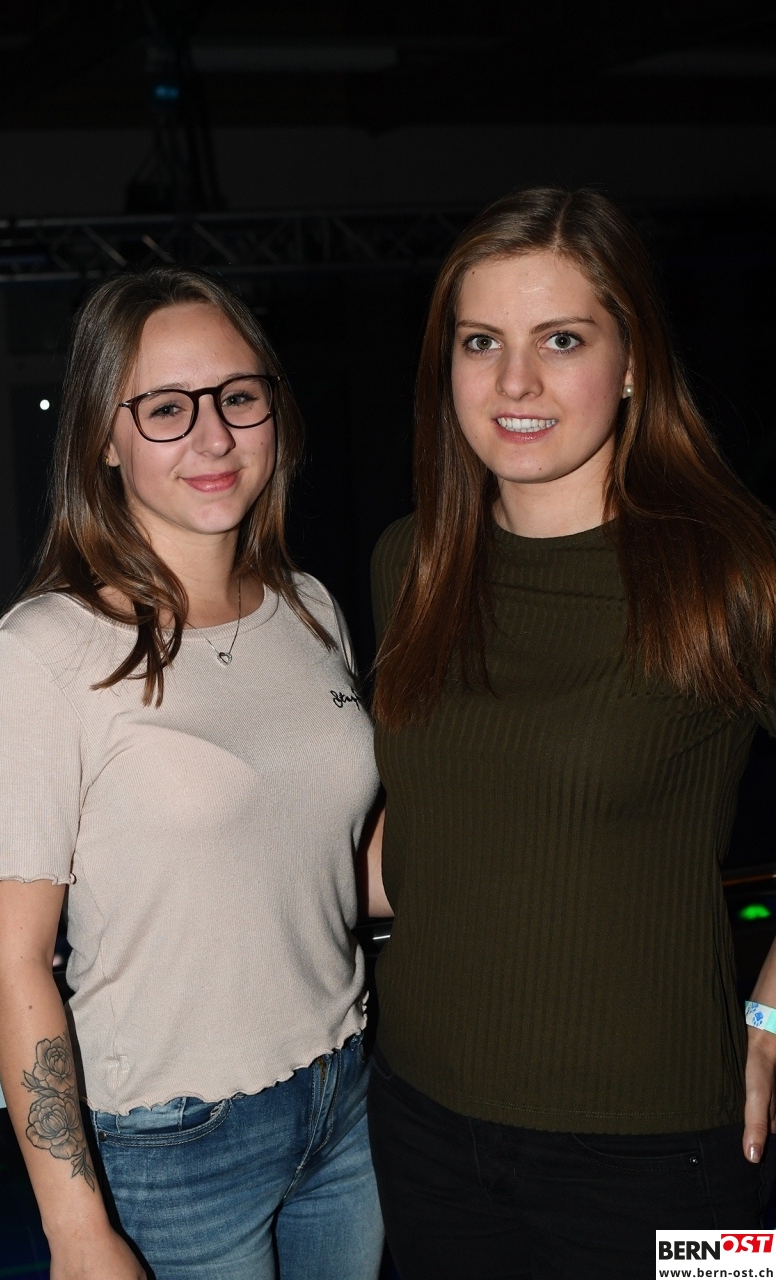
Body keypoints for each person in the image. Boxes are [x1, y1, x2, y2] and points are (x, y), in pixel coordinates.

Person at [365, 186, 776, 1279]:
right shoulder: (411, 562)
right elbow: (425, 823)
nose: (514, 383)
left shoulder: (735, 569)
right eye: (480, 342)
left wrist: (774, 1015)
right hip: (418, 1124)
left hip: (672, 1152)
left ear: (632, 361)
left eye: (560, 339)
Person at [0, 267, 385, 1280]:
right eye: (164, 408)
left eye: (238, 396)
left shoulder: (310, 608)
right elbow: (9, 959)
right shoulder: (41, 654)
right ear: (103, 438)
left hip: (345, 1095)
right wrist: (75, 1227)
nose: (214, 436)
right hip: (173, 1139)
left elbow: (341, 866)